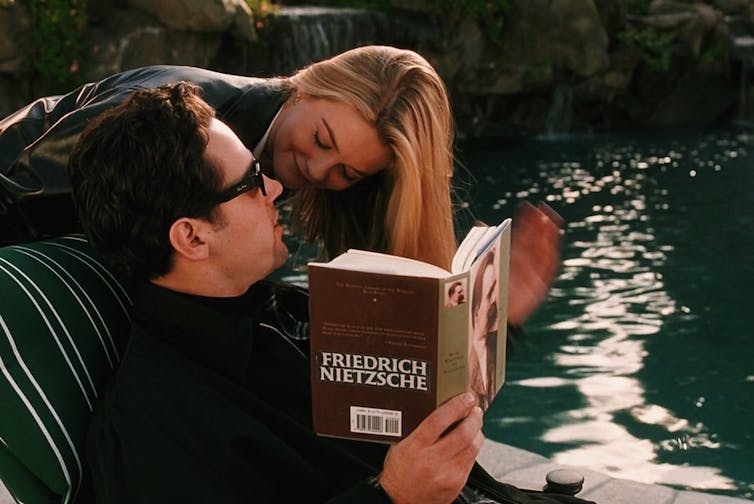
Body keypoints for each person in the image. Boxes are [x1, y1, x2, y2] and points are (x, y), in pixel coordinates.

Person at [71, 83, 592, 504]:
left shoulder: (284, 312)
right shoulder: (153, 430)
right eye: (251, 182)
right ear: (192, 236)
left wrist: (496, 319)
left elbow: (425, 397)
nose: (276, 187)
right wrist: (393, 497)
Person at [0, 45, 561, 328]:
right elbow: (23, 190)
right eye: (321, 139)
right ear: (310, 85)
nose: (318, 172)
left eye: (347, 173)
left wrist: (481, 317)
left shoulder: (297, 169)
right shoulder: (184, 118)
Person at [468, 247, 500, 410]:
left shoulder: (495, 347)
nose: (495, 300)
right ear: (476, 312)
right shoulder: (466, 366)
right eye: (489, 294)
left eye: (495, 289)